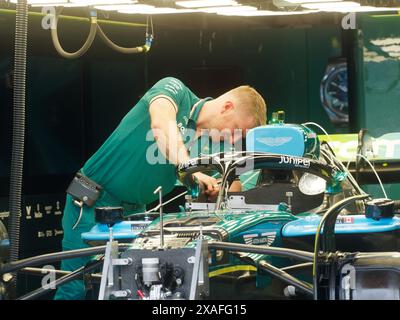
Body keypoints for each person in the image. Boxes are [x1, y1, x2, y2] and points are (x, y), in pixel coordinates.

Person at [54, 77, 267, 300]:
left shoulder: (215, 141)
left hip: (136, 212)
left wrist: (214, 186)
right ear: (227, 107)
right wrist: (191, 170)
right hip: (92, 201)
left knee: (131, 289)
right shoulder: (175, 91)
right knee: (73, 287)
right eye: (235, 130)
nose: (233, 139)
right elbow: (162, 126)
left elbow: (233, 185)